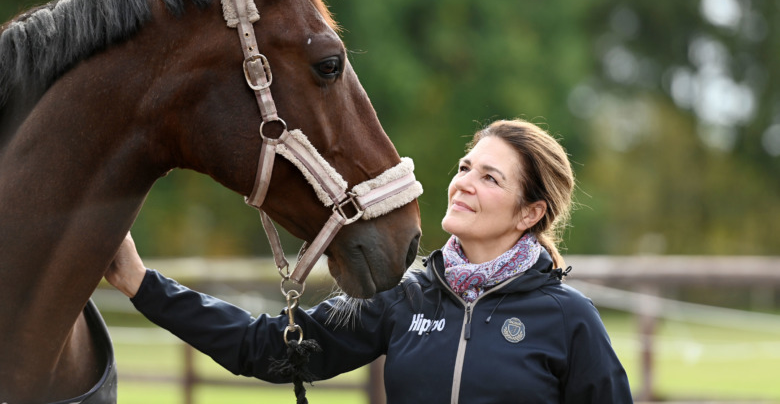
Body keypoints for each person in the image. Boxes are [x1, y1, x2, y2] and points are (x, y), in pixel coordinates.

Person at [105, 119, 633, 403]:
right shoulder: (406, 296)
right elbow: (264, 348)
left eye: (490, 178)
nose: (463, 183)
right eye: (465, 166)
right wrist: (140, 283)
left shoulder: (569, 319)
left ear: (530, 213)